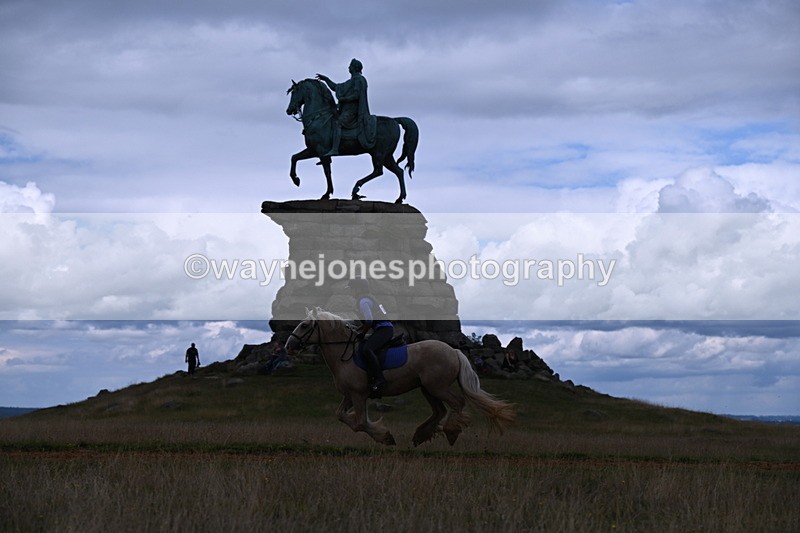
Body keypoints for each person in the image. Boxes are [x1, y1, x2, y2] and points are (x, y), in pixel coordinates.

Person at [316, 58, 377, 156]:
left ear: (354, 68)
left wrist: (344, 99)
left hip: (353, 111)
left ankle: (335, 149)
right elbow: (336, 87)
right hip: (345, 110)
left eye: (350, 66)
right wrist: (326, 79)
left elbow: (356, 95)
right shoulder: (351, 81)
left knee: (337, 123)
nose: (348, 67)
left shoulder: (359, 80)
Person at [347, 276, 391, 397]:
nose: (351, 292)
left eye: (352, 289)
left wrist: (362, 333)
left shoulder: (363, 301)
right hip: (382, 329)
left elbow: (369, 321)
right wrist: (358, 330)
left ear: (359, 289)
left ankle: (379, 379)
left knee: (367, 349)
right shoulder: (367, 299)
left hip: (383, 330)